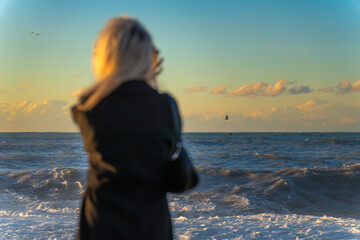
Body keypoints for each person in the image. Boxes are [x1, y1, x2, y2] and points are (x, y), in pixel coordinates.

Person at [71, 16, 196, 239]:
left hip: (100, 224)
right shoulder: (165, 106)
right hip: (149, 225)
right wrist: (150, 79)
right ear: (147, 58)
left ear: (105, 56)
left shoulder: (88, 106)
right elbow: (177, 177)